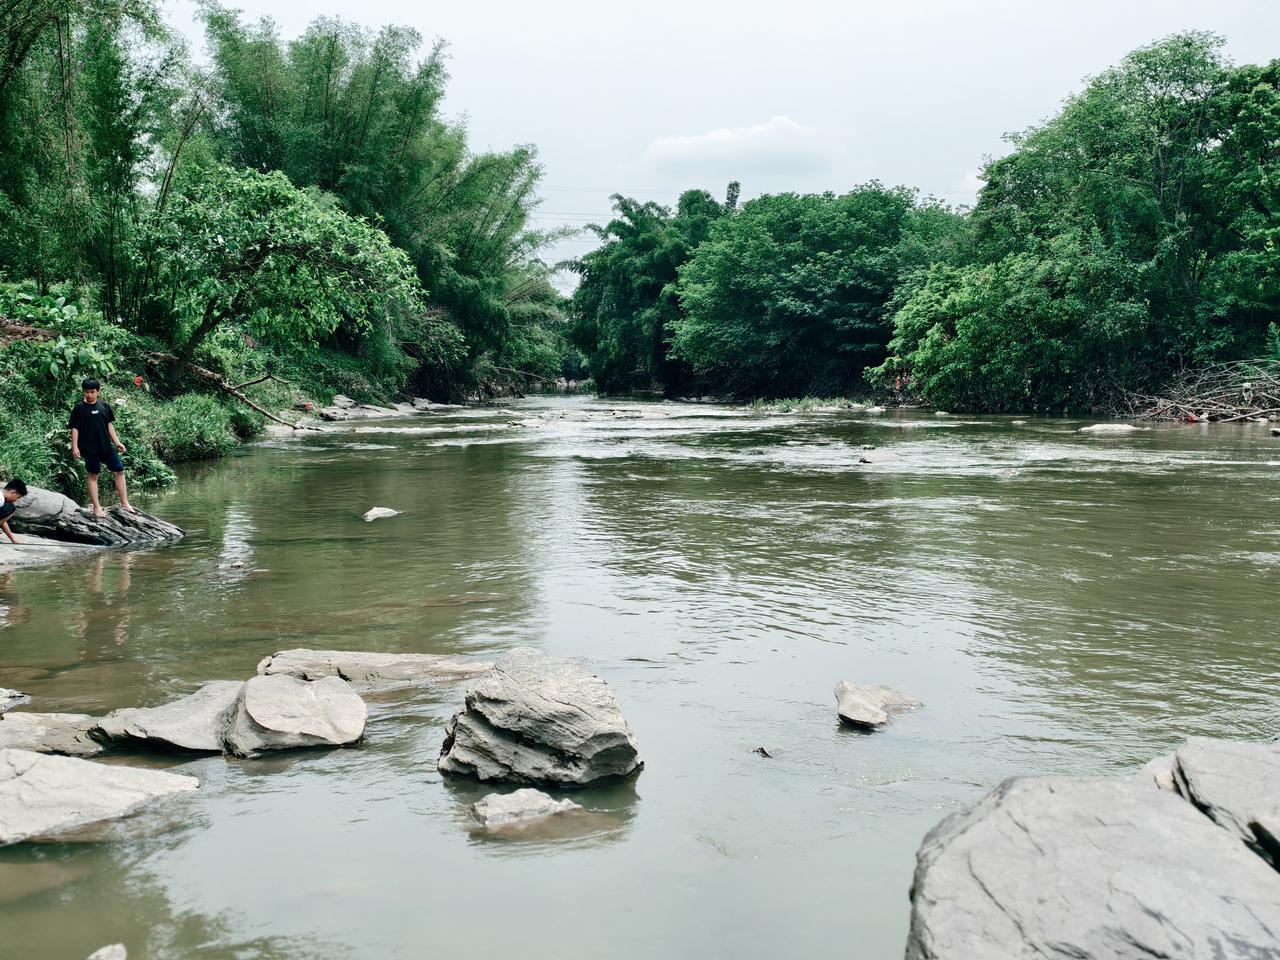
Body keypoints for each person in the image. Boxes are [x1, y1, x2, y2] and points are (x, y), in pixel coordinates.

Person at [69, 378, 135, 518]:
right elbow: (75, 428)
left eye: (92, 392)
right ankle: (96, 507)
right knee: (93, 474)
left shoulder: (104, 406)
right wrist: (74, 447)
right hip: (89, 448)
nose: (89, 395)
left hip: (106, 446)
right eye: (86, 392)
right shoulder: (79, 408)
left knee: (119, 471)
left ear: (98, 391)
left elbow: (109, 425)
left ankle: (124, 503)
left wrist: (117, 442)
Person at [0, 478, 26, 545]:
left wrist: (13, 540)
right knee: (12, 508)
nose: (16, 500)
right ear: (13, 493)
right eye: (18, 497)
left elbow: (2, 521)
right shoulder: (1, 500)